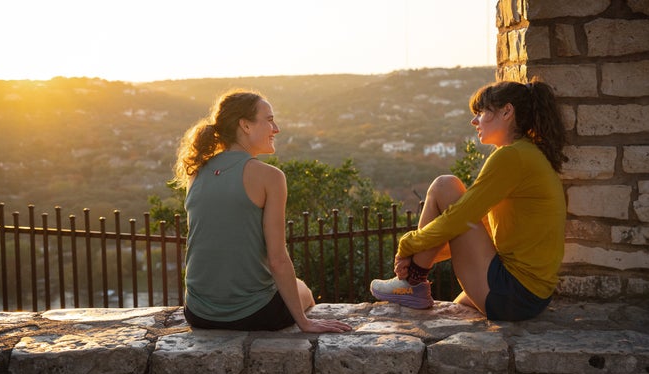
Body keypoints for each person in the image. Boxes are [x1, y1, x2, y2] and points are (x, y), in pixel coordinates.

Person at [370, 79, 568, 321]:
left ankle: (412, 283)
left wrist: (408, 245)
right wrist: (417, 254)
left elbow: (459, 218)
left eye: (482, 112)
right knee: (456, 308)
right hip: (532, 296)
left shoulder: (511, 156)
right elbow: (478, 227)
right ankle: (414, 279)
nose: (474, 121)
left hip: (514, 294)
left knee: (445, 185)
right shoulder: (526, 154)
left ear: (507, 111)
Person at [173, 90, 351, 333]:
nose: (275, 128)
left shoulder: (196, 172)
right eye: (269, 120)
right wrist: (305, 322)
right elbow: (277, 259)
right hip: (255, 314)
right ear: (245, 125)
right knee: (305, 291)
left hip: (198, 313)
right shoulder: (270, 177)